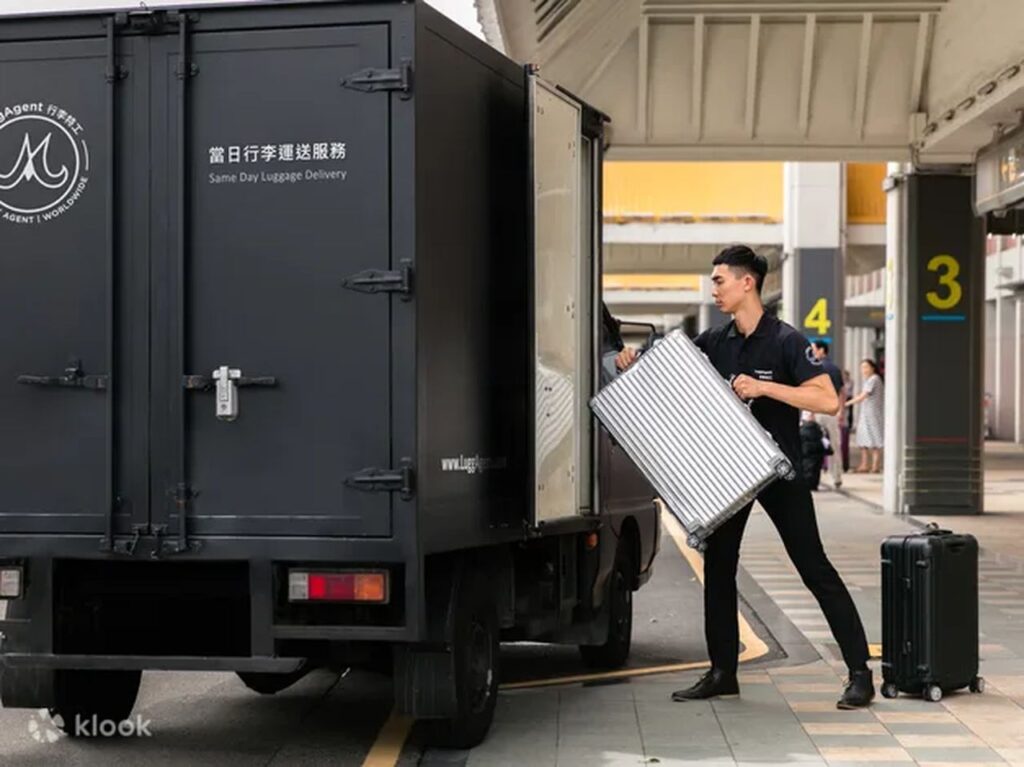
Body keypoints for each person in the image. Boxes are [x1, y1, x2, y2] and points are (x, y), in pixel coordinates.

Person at [617, 245, 873, 710]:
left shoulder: (786, 341)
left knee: (813, 567)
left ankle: (860, 673)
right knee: (718, 567)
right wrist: (635, 359)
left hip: (780, 470)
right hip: (731, 475)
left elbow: (828, 401)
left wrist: (763, 387)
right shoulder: (716, 341)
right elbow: (669, 372)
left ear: (746, 282)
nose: (713, 288)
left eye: (719, 280)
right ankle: (722, 673)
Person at [810, 341, 845, 490]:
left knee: (813, 444)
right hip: (833, 412)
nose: (812, 352)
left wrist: (810, 412)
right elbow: (842, 392)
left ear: (821, 350)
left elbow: (812, 391)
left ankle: (814, 476)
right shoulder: (835, 368)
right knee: (835, 445)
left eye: (813, 349)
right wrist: (842, 411)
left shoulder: (816, 367)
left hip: (818, 411)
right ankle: (836, 477)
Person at [846, 359, 884, 473]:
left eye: (866, 367)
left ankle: (875, 466)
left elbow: (863, 395)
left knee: (874, 439)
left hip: (873, 414)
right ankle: (865, 465)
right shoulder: (869, 380)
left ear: (873, 368)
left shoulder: (874, 379)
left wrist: (847, 403)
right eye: (862, 367)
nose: (864, 370)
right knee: (863, 439)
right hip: (866, 413)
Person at [799, 412, 829, 490]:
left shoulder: (801, 428)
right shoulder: (819, 429)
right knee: (815, 470)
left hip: (806, 453)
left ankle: (808, 484)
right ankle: (814, 485)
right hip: (817, 453)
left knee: (808, 469)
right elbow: (824, 440)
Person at [841, 369, 853, 471]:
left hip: (843, 419)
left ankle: (844, 464)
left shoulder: (846, 386)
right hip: (841, 417)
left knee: (842, 443)